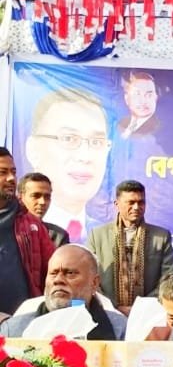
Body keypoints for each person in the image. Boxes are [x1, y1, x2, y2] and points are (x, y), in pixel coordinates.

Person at [23, 87, 111, 244]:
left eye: (96, 142)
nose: (85, 157)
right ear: (33, 150)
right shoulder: (13, 231)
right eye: (69, 139)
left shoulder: (109, 238)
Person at [87, 180, 173, 315]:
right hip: (106, 312)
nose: (136, 207)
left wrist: (141, 307)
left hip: (148, 313)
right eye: (131, 202)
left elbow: (168, 279)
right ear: (117, 204)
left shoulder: (161, 237)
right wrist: (114, 306)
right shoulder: (97, 235)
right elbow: (89, 277)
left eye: (141, 202)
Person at [0, 244, 126, 339]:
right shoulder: (13, 332)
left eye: (70, 273)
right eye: (53, 273)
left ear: (94, 283)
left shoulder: (120, 330)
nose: (58, 280)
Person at [0, 148, 55, 315]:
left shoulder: (31, 224)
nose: (11, 178)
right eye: (3, 172)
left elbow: (53, 272)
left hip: (21, 322)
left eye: (13, 172)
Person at [17, 172, 69, 247]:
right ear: (20, 198)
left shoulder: (58, 236)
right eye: (35, 196)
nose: (42, 202)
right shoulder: (6, 232)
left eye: (47, 197)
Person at [118, 71, 161, 138]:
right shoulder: (120, 124)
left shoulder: (161, 131)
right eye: (137, 94)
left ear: (156, 98)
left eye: (149, 95)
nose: (143, 101)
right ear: (127, 99)